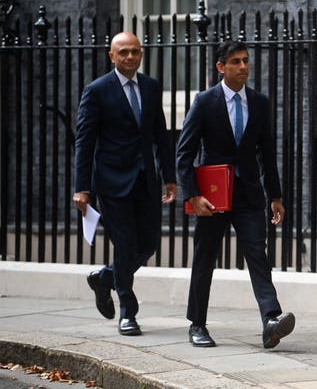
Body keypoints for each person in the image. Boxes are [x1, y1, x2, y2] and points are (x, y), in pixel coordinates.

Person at [176, 40, 294, 348]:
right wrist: (193, 195)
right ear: (221, 67)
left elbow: (267, 152)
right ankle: (197, 324)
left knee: (258, 254)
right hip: (213, 196)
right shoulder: (204, 102)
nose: (243, 67)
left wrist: (276, 195)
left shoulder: (259, 102)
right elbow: (184, 153)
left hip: (249, 195)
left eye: (245, 61)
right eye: (236, 62)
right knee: (205, 258)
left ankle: (271, 320)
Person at [73, 31, 177, 336]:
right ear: (112, 55)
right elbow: (85, 141)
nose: (130, 57)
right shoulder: (96, 91)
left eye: (134, 51)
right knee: (126, 244)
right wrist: (82, 188)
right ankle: (128, 312)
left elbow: (160, 133)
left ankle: (105, 278)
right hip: (112, 182)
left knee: (148, 245)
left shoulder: (151, 86)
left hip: (146, 181)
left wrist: (169, 177)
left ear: (141, 54)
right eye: (123, 52)